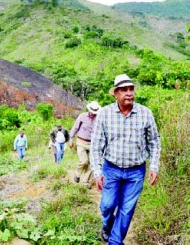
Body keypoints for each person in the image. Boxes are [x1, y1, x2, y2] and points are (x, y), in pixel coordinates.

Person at [90, 74, 161, 245]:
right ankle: (107, 227)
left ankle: (115, 241)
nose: (129, 93)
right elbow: (96, 145)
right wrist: (98, 172)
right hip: (111, 169)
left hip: (136, 172)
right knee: (107, 206)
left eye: (131, 89)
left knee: (127, 209)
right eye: (124, 90)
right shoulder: (105, 114)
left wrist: (154, 166)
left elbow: (154, 141)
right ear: (115, 94)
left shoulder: (145, 113)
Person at [69, 101, 101, 189]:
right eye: (92, 111)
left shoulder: (98, 118)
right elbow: (75, 127)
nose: (92, 113)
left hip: (92, 143)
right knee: (84, 161)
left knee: (92, 164)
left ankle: (85, 181)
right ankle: (77, 173)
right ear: (89, 109)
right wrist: (71, 139)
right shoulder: (82, 116)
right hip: (81, 142)